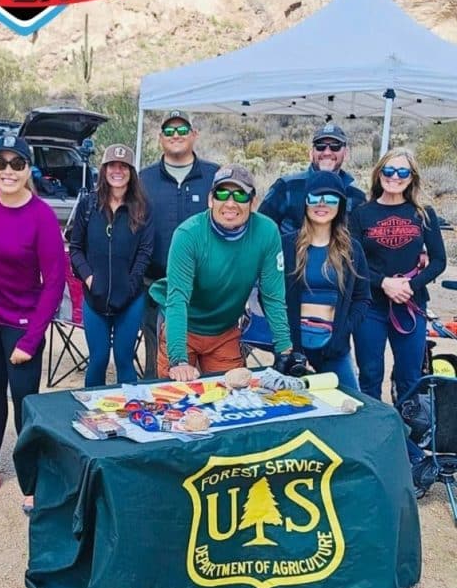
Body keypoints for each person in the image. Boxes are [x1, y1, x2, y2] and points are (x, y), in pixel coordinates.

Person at [0, 133, 65, 511]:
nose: (8, 171)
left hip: (20, 322)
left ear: (28, 168)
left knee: (24, 399)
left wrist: (31, 339)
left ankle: (32, 479)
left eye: (16, 164)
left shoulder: (42, 216)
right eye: (1, 163)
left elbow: (54, 283)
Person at [151, 165, 299, 381]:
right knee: (175, 398)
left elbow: (273, 296)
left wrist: (285, 349)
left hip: (225, 331)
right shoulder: (187, 234)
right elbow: (177, 299)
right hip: (183, 326)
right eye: (222, 194)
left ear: (253, 202)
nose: (230, 203)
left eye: (240, 195)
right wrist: (179, 360)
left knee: (234, 396)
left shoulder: (267, 232)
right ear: (211, 199)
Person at [350, 148, 446, 405]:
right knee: (370, 374)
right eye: (388, 170)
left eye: (402, 171)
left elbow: (439, 261)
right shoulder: (360, 214)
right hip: (370, 306)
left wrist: (409, 286)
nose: (395, 176)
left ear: (411, 176)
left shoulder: (423, 214)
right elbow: (353, 262)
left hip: (410, 305)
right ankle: (374, 433)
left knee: (410, 376)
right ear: (378, 173)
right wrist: (384, 283)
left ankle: (408, 435)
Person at [139, 110, 219, 377]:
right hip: (157, 288)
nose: (176, 136)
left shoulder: (214, 177)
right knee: (160, 371)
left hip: (206, 291)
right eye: (170, 132)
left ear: (194, 135)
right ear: (160, 138)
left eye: (183, 130)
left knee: (211, 374)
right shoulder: (143, 179)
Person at [68, 143, 154, 387]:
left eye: (124, 166)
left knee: (124, 359)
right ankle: (92, 415)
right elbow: (75, 249)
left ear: (131, 171)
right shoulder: (88, 205)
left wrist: (130, 283)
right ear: (104, 170)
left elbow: (145, 252)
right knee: (98, 359)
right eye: (112, 166)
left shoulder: (143, 208)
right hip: (94, 298)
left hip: (130, 299)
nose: (118, 171)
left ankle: (130, 415)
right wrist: (89, 278)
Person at [281, 171, 371, 389]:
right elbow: (270, 297)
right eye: (315, 198)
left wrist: (344, 331)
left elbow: (362, 298)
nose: (322, 204)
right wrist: (285, 340)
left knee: (351, 409)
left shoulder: (352, 250)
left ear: (340, 204)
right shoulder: (286, 246)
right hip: (294, 352)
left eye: (331, 199)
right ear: (305, 202)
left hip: (335, 351)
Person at [258, 123, 366, 235]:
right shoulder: (286, 187)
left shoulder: (357, 197)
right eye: (320, 146)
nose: (327, 152)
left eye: (335, 146)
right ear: (311, 153)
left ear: (346, 153)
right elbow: (261, 229)